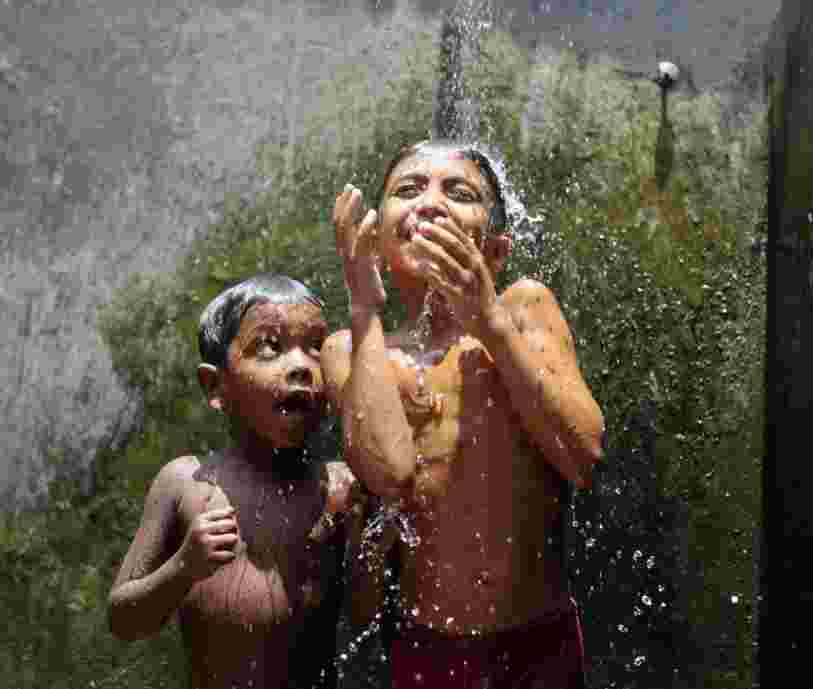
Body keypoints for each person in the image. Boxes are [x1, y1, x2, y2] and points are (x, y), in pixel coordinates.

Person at [322, 140, 606, 688]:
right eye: (409, 189)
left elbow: (583, 456)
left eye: (459, 193)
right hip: (425, 646)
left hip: (535, 645)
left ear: (495, 250)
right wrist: (363, 308)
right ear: (375, 245)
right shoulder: (351, 348)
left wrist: (490, 322)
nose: (429, 203)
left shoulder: (522, 311)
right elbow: (389, 472)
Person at [108, 274, 412, 689]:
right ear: (215, 385)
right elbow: (123, 621)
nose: (302, 367)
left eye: (316, 348)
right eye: (270, 347)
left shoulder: (341, 488)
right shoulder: (186, 483)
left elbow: (366, 623)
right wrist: (183, 566)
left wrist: (366, 546)